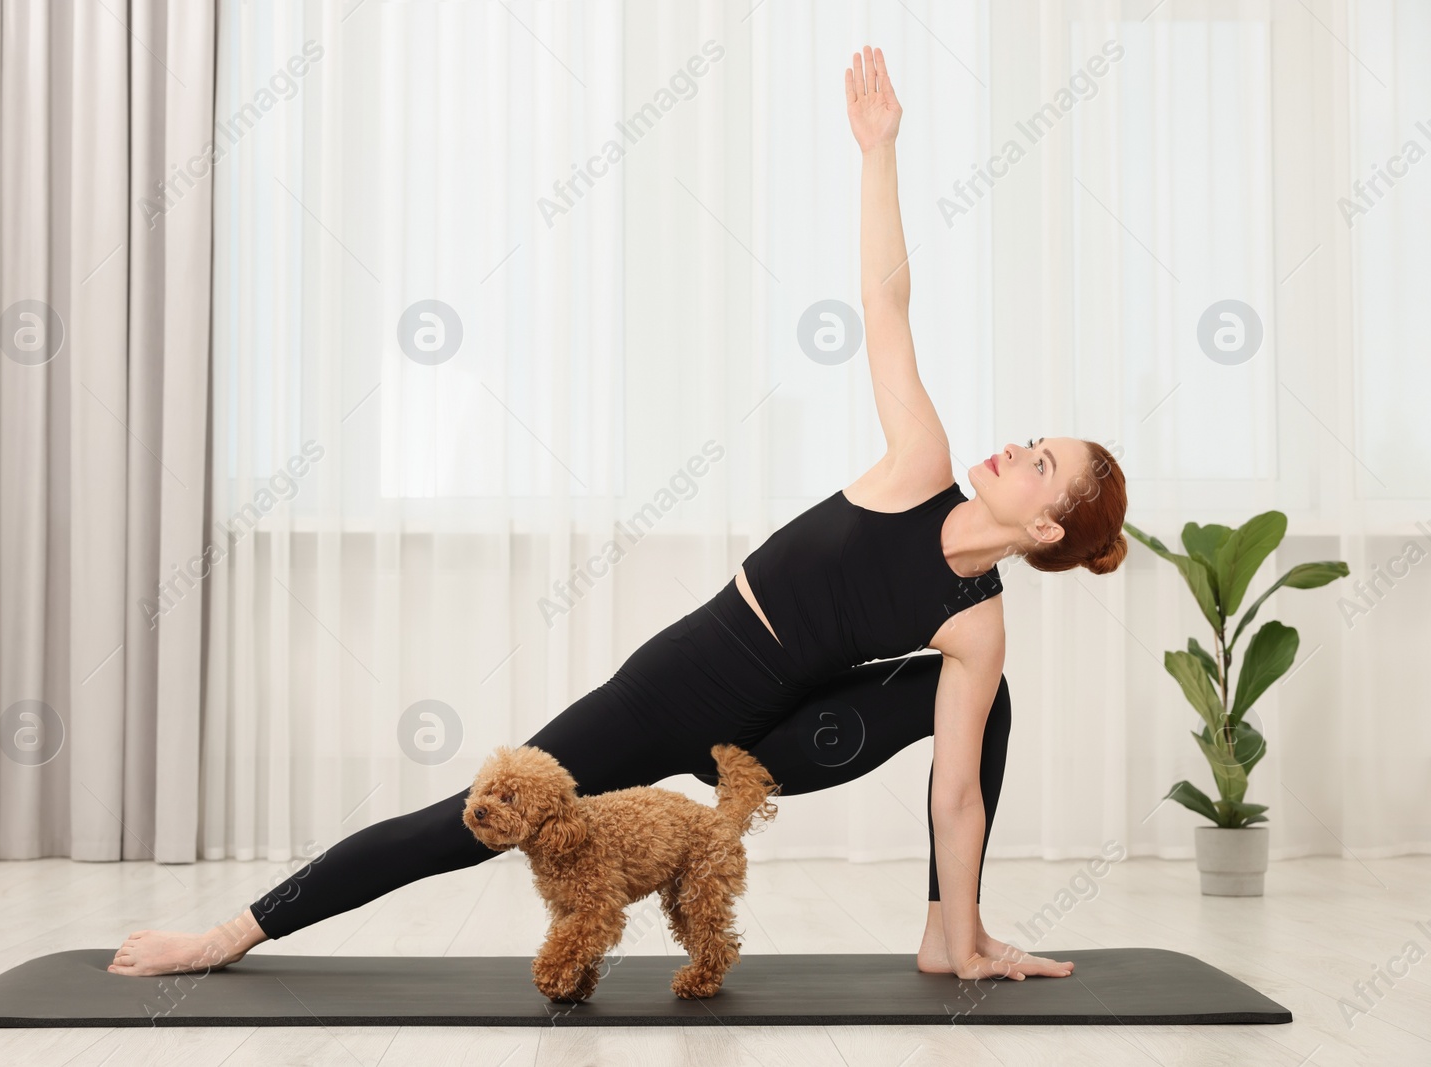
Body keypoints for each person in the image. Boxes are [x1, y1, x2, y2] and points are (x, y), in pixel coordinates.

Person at [109, 45, 1127, 985]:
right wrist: (878, 153)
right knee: (470, 823)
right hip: (678, 685)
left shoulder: (976, 621)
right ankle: (227, 933)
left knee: (985, 702)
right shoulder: (921, 464)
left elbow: (958, 792)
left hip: (766, 747)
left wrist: (968, 934)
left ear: (1046, 528)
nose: (1014, 448)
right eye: (1033, 439)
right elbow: (886, 301)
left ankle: (952, 936)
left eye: (1040, 463)